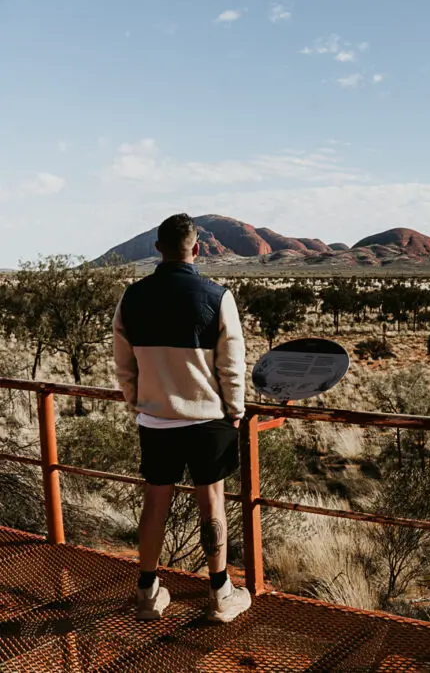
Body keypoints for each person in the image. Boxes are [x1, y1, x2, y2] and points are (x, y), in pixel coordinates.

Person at [113, 213, 252, 623]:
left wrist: (139, 400)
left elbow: (123, 364)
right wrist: (236, 411)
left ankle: (146, 593)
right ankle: (220, 593)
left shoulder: (132, 297)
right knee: (212, 502)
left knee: (155, 502)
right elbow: (232, 366)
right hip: (209, 419)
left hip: (156, 419)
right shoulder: (217, 295)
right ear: (198, 248)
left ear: (158, 249)